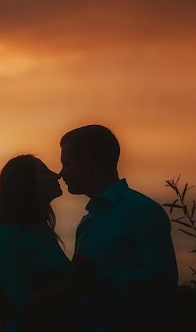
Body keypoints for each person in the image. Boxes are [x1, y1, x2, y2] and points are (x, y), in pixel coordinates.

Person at [59, 124, 178, 331]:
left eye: (66, 163)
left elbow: (164, 278)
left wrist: (100, 281)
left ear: (88, 164)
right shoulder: (88, 221)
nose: (61, 173)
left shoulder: (141, 210)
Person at [0, 154, 85, 332]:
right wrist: (76, 281)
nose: (56, 175)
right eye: (44, 171)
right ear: (26, 185)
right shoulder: (9, 235)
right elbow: (21, 304)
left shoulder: (44, 233)